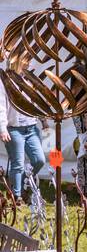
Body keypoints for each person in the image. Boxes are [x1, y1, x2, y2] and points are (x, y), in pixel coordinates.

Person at [0, 53, 48, 197]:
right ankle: (17, 196)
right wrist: (2, 128)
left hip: (31, 127)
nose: (30, 64)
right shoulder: (5, 81)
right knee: (18, 163)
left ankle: (26, 182)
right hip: (14, 129)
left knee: (39, 160)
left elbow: (36, 102)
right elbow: (1, 105)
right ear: (18, 61)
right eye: (27, 60)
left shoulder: (30, 80)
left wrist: (43, 120)